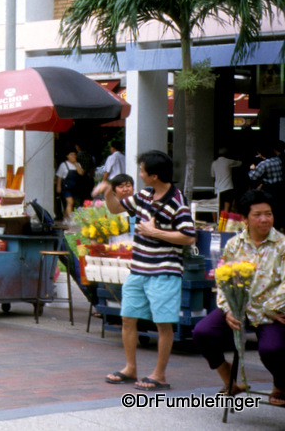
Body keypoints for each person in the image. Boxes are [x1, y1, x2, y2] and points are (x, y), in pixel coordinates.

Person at [98, 150, 196, 391]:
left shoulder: (177, 201)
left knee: (163, 324)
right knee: (128, 318)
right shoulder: (144, 195)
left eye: (142, 171)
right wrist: (108, 191)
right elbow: (115, 209)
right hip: (138, 270)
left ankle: (159, 375)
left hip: (164, 272)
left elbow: (188, 236)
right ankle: (130, 368)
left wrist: (156, 233)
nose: (139, 175)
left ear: (154, 175)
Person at [192, 189, 285, 405]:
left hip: (270, 311)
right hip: (238, 308)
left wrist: (270, 308)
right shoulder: (234, 244)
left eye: (268, 213)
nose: (264, 219)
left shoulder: (282, 245)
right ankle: (229, 380)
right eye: (257, 214)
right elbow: (223, 279)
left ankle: (280, 385)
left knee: (273, 349)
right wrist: (228, 308)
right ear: (244, 219)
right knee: (202, 333)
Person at [249, 140, 284, 229]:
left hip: (269, 189)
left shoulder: (264, 164)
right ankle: (278, 227)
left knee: (269, 209)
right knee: (278, 208)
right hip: (280, 188)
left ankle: (269, 227)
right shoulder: (278, 161)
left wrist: (252, 169)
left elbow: (253, 176)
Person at [211, 148, 242, 216]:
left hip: (218, 189)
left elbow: (213, 176)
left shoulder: (214, 163)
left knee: (215, 207)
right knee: (226, 208)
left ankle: (217, 223)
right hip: (228, 188)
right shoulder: (228, 161)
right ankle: (223, 225)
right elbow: (240, 163)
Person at [55, 149, 83, 220]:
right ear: (67, 156)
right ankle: (71, 220)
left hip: (74, 186)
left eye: (74, 154)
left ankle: (65, 219)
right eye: (71, 154)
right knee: (70, 202)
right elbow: (60, 177)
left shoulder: (78, 164)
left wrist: (76, 163)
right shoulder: (63, 165)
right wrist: (58, 186)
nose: (74, 156)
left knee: (70, 204)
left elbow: (81, 173)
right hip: (66, 186)